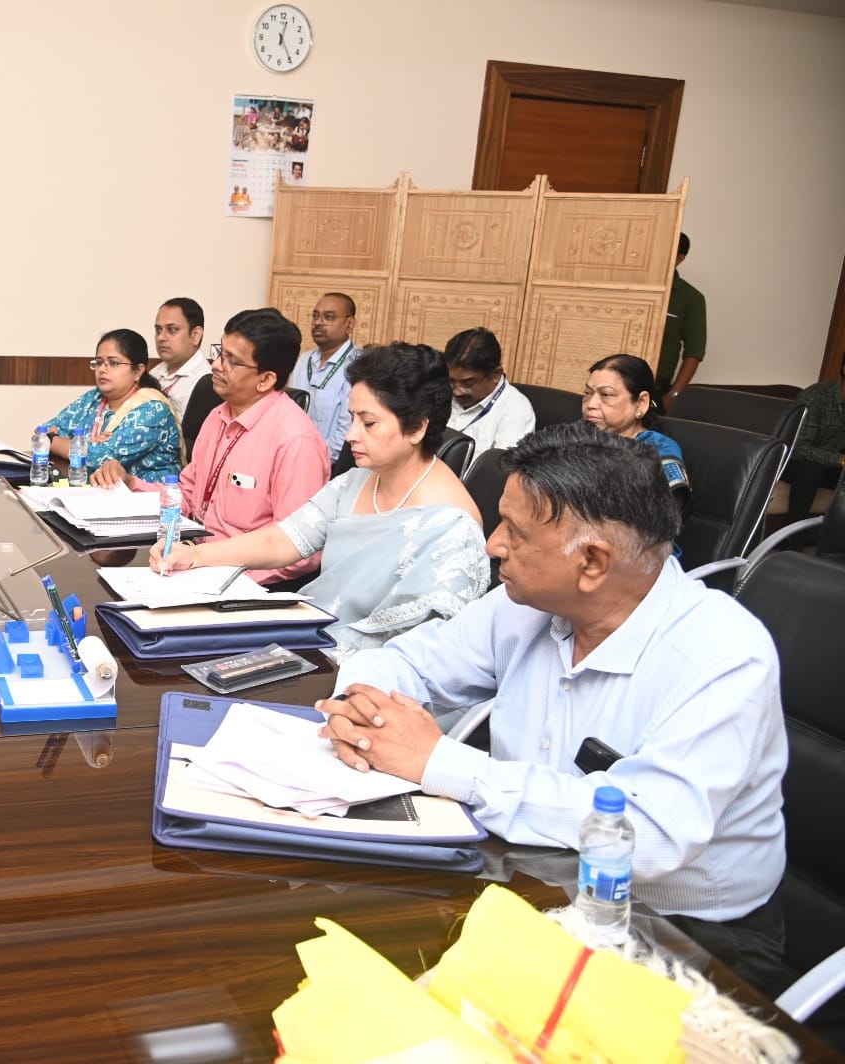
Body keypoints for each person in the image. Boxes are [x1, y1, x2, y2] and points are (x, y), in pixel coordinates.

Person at [317, 423, 787, 995]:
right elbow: (407, 661)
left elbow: (648, 835)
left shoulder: (722, 655)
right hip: (533, 875)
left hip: (681, 931)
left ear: (592, 562)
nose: (493, 545)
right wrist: (360, 710)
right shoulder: (526, 603)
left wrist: (440, 761)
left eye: (514, 532)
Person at [151, 343, 488, 660]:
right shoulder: (358, 480)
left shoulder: (452, 526)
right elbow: (283, 539)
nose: (351, 434)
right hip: (314, 635)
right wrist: (195, 556)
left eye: (369, 423)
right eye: (352, 418)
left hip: (369, 671)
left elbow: (422, 650)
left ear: (417, 428)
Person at [94, 308, 328, 585]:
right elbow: (187, 497)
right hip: (194, 559)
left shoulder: (295, 440)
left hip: (243, 584)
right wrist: (131, 483)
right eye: (220, 353)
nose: (216, 365)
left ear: (266, 379)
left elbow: (299, 552)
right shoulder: (218, 416)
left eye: (232, 361)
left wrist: (215, 575)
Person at [43, 328, 182, 482]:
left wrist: (53, 440)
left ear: (138, 371)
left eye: (113, 363)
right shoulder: (94, 398)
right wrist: (87, 444)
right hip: (98, 491)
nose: (102, 369)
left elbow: (99, 458)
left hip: (147, 494)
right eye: (99, 362)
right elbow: (42, 432)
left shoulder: (153, 409)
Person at [582, 354, 690, 518]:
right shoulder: (580, 436)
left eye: (606, 395)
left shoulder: (658, 452)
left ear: (641, 403)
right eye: (587, 393)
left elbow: (663, 520)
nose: (591, 404)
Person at [288, 293, 360, 463]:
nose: (318, 322)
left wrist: (312, 459)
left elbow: (347, 431)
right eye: (315, 316)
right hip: (293, 458)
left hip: (331, 465)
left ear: (349, 324)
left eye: (328, 317)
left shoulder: (358, 365)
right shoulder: (305, 359)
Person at [442, 328, 535, 453]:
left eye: (468, 383)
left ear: (496, 374)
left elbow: (502, 464)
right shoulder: (440, 391)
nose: (457, 392)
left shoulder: (516, 412)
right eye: (452, 381)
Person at [780, 362, 845, 520]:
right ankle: (795, 534)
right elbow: (798, 447)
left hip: (831, 465)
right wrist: (840, 460)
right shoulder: (815, 397)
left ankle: (835, 533)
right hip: (794, 461)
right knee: (810, 470)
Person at [657, 232, 707, 410]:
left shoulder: (691, 298)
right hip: (612, 381)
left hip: (654, 386)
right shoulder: (631, 286)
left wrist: (673, 395)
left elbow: (694, 352)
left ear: (680, 258)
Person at [148, 297, 210, 414]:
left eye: (172, 329)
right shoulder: (155, 372)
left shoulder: (206, 383)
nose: (161, 337)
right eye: (158, 330)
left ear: (195, 335)